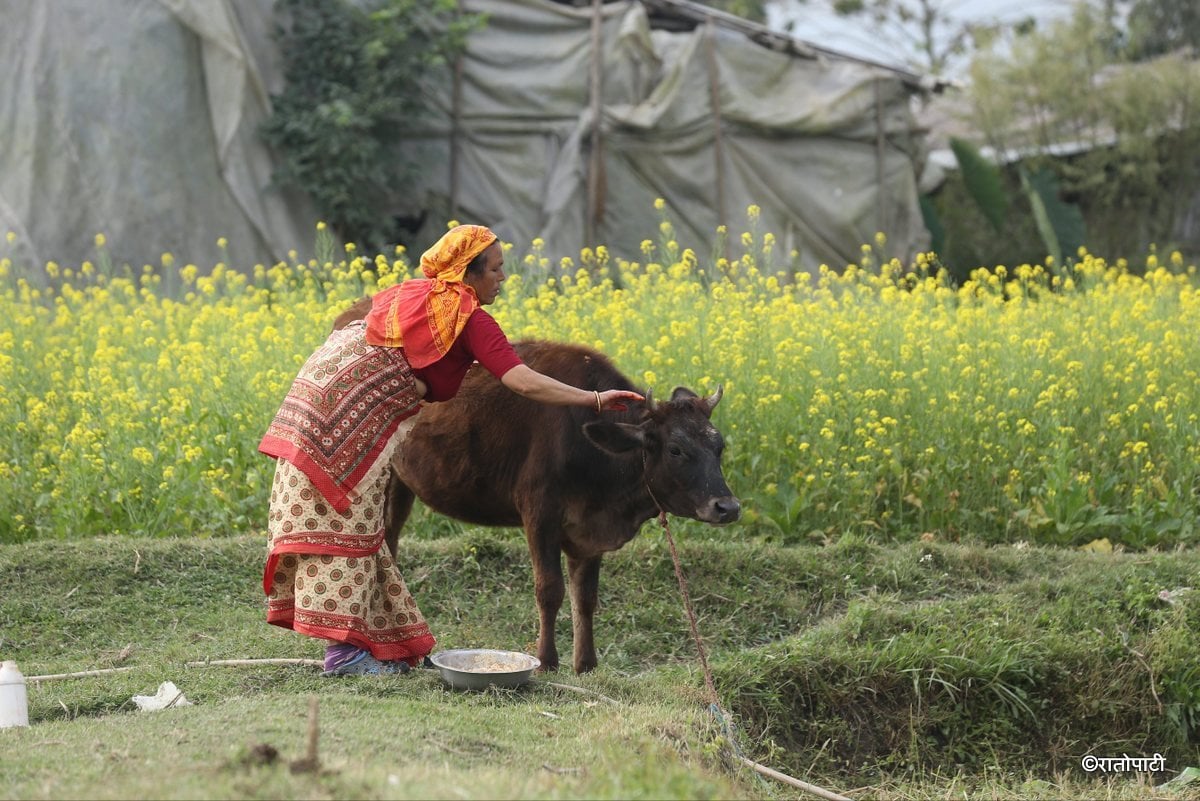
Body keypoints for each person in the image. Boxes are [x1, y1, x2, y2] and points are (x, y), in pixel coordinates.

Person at [258, 224, 643, 676]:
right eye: (496, 270)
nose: (502, 278)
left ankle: (371, 646)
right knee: (351, 521)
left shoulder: (411, 294)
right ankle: (344, 656)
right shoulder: (468, 316)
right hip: (355, 410)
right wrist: (593, 400)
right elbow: (520, 380)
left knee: (351, 520)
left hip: (318, 394)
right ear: (469, 272)